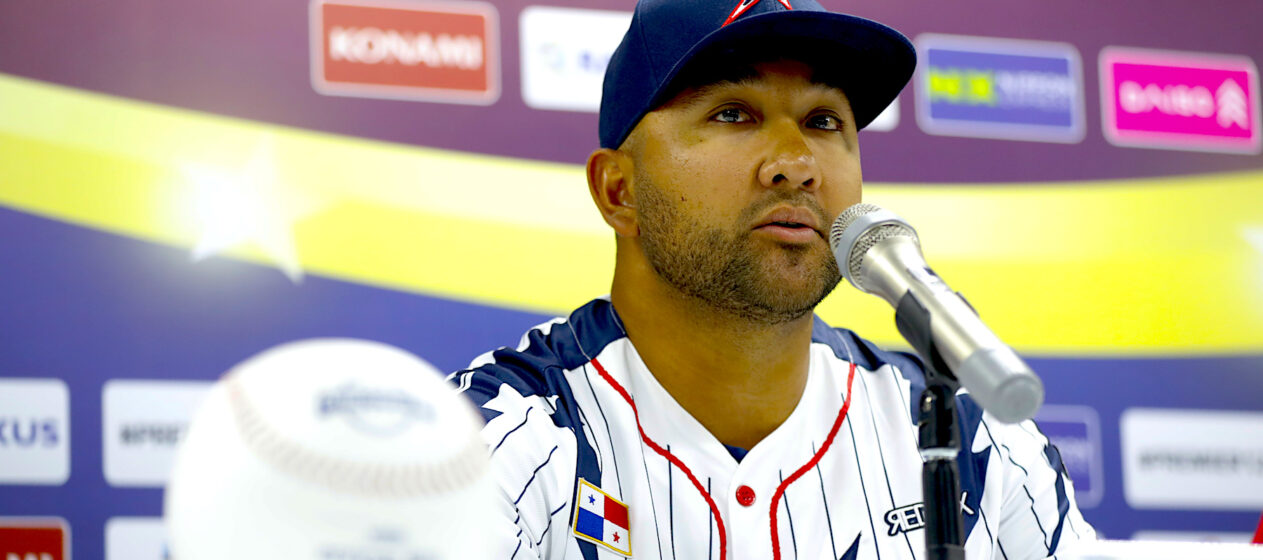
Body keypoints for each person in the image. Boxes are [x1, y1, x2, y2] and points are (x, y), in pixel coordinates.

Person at [450, 0, 1095, 557]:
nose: (796, 164)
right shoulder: (498, 442)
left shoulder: (973, 441)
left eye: (822, 122)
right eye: (734, 113)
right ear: (619, 190)